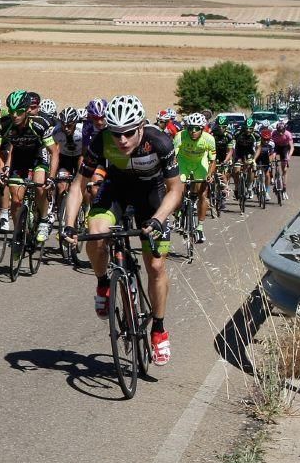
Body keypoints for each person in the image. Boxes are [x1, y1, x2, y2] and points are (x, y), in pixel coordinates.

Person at [62, 95, 183, 366]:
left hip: (152, 196)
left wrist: (158, 219)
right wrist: (69, 224)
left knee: (155, 265)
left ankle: (159, 330)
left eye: (129, 133)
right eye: (116, 133)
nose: (122, 140)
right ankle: (104, 282)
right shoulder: (100, 139)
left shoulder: (159, 142)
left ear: (141, 127)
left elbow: (176, 190)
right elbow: (77, 186)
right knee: (96, 232)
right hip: (116, 191)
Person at [0, 90, 57, 239]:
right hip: (19, 160)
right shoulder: (3, 124)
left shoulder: (40, 124)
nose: (15, 115)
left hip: (38, 157)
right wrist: (1, 171)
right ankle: (19, 232)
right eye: (12, 111)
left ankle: (44, 220)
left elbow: (54, 152)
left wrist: (51, 177)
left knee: (40, 185)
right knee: (16, 199)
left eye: (19, 111)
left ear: (27, 110)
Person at [173, 113, 216, 243]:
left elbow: (212, 160)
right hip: (183, 162)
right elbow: (174, 157)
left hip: (199, 163)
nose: (193, 131)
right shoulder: (180, 136)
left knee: (203, 194)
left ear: (202, 128)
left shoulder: (209, 139)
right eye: (190, 128)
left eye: (196, 128)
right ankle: (178, 213)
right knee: (177, 190)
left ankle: (200, 228)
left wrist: (209, 174)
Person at [272, 120, 294, 198]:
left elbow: (292, 147)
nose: (281, 133)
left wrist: (289, 156)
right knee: (272, 158)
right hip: (276, 147)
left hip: (284, 148)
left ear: (284, 130)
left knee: (284, 169)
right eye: (279, 131)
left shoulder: (288, 134)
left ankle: (284, 188)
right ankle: (272, 177)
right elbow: (271, 145)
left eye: (282, 131)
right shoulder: (274, 133)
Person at [254, 128, 277, 201]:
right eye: (264, 139)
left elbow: (271, 154)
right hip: (258, 157)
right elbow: (254, 154)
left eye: (268, 139)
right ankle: (255, 184)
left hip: (266, 158)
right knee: (254, 171)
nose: (266, 141)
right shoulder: (256, 143)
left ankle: (266, 191)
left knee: (267, 175)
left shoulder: (272, 144)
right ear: (261, 138)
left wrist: (270, 162)